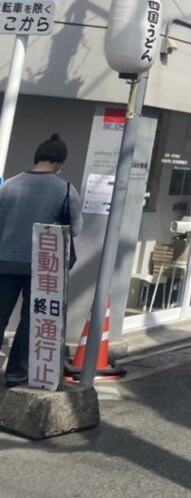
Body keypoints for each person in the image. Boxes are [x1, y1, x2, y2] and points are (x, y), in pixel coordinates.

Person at [0, 134, 81, 387]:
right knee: (31, 317)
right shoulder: (65, 189)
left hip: (4, 261)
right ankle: (15, 371)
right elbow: (75, 228)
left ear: (37, 157)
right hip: (44, 266)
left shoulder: (9, 185)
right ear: (59, 162)